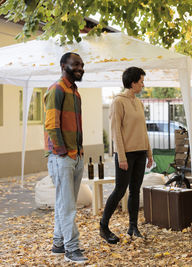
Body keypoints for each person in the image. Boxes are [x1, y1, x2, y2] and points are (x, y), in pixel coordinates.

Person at [100, 66, 153, 244]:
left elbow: (143, 130)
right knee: (120, 190)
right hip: (126, 154)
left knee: (135, 191)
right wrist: (121, 156)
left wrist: (149, 153)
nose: (143, 85)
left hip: (140, 154)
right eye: (141, 81)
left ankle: (133, 227)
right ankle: (103, 226)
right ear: (132, 83)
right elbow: (115, 131)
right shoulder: (118, 102)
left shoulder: (138, 102)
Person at [44, 52, 88, 263]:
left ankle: (58, 243)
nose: (80, 68)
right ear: (63, 65)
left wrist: (78, 152)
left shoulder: (75, 92)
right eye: (75, 64)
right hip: (62, 157)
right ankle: (72, 248)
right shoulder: (57, 89)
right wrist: (62, 152)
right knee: (67, 205)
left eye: (81, 65)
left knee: (64, 203)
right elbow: (52, 125)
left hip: (75, 155)